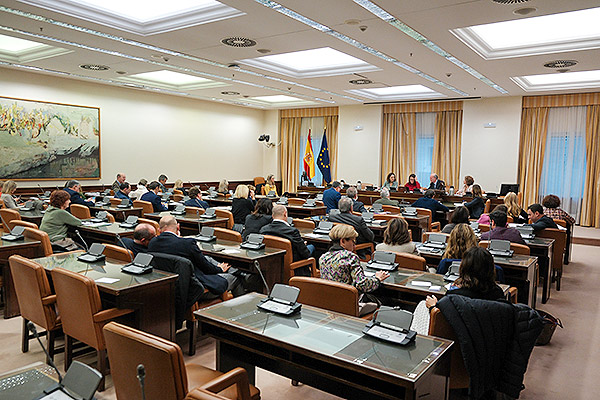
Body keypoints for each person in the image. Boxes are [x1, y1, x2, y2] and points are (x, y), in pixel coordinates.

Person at [148, 215, 242, 296]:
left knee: (208, 258)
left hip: (169, 287)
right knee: (235, 279)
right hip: (196, 289)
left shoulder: (152, 243)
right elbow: (205, 268)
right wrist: (219, 269)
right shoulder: (187, 243)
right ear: (178, 227)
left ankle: (237, 271)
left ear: (159, 230)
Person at [319, 224, 389, 316]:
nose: (354, 245)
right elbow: (362, 284)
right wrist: (378, 279)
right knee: (386, 299)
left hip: (330, 304)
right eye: (353, 241)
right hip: (348, 306)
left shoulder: (323, 257)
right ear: (343, 241)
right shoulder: (350, 257)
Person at [426, 247, 505, 311]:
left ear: (463, 268)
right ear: (491, 269)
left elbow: (443, 321)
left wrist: (433, 307)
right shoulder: (498, 294)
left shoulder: (453, 296)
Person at [260, 205, 315, 272]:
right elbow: (306, 254)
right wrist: (302, 245)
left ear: (272, 215)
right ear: (285, 214)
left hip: (272, 268)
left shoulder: (263, 230)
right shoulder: (292, 231)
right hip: (293, 268)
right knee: (312, 246)